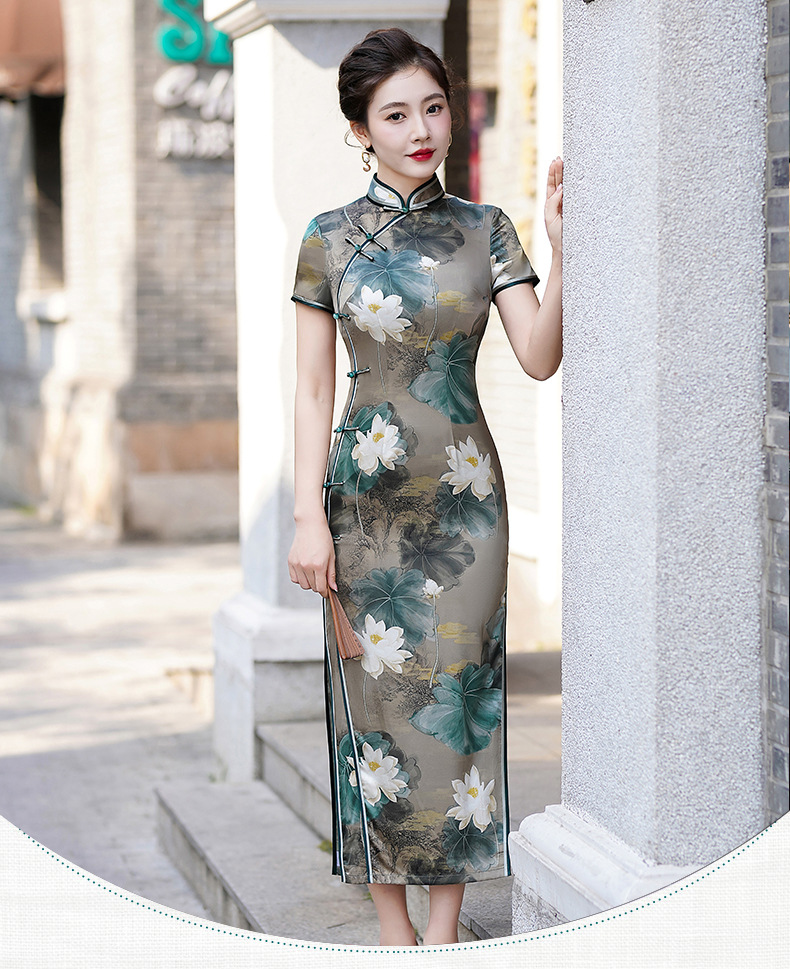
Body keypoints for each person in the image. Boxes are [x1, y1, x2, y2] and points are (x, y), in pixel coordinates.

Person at [287, 27, 563, 947]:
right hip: (361, 506)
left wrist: (563, 250)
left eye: (433, 108)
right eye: (396, 114)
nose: (420, 130)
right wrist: (307, 517)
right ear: (360, 129)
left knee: (460, 705)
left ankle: (441, 933)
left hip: (466, 502)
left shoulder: (488, 229)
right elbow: (312, 389)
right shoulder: (328, 239)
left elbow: (539, 354)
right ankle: (393, 933)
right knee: (373, 713)